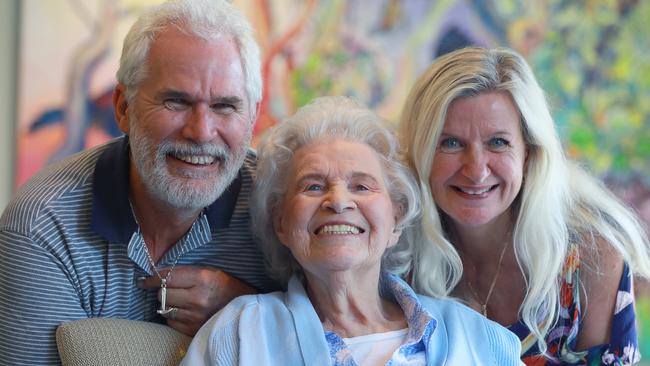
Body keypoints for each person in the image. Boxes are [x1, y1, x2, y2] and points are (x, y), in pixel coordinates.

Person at [0, 0, 280, 364]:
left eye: (225, 106)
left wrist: (248, 312)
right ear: (123, 108)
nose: (201, 132)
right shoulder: (42, 227)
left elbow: (359, 335)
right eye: (176, 101)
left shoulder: (284, 208)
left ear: (252, 117)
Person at [181, 96, 524, 366]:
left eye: (362, 186)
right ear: (281, 223)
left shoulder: (479, 338)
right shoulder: (239, 333)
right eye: (313, 186)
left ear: (396, 221)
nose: (339, 201)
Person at [399, 46, 650, 365]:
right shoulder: (396, 255)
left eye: (498, 142)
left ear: (529, 153)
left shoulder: (591, 260)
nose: (476, 170)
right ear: (421, 153)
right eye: (450, 143)